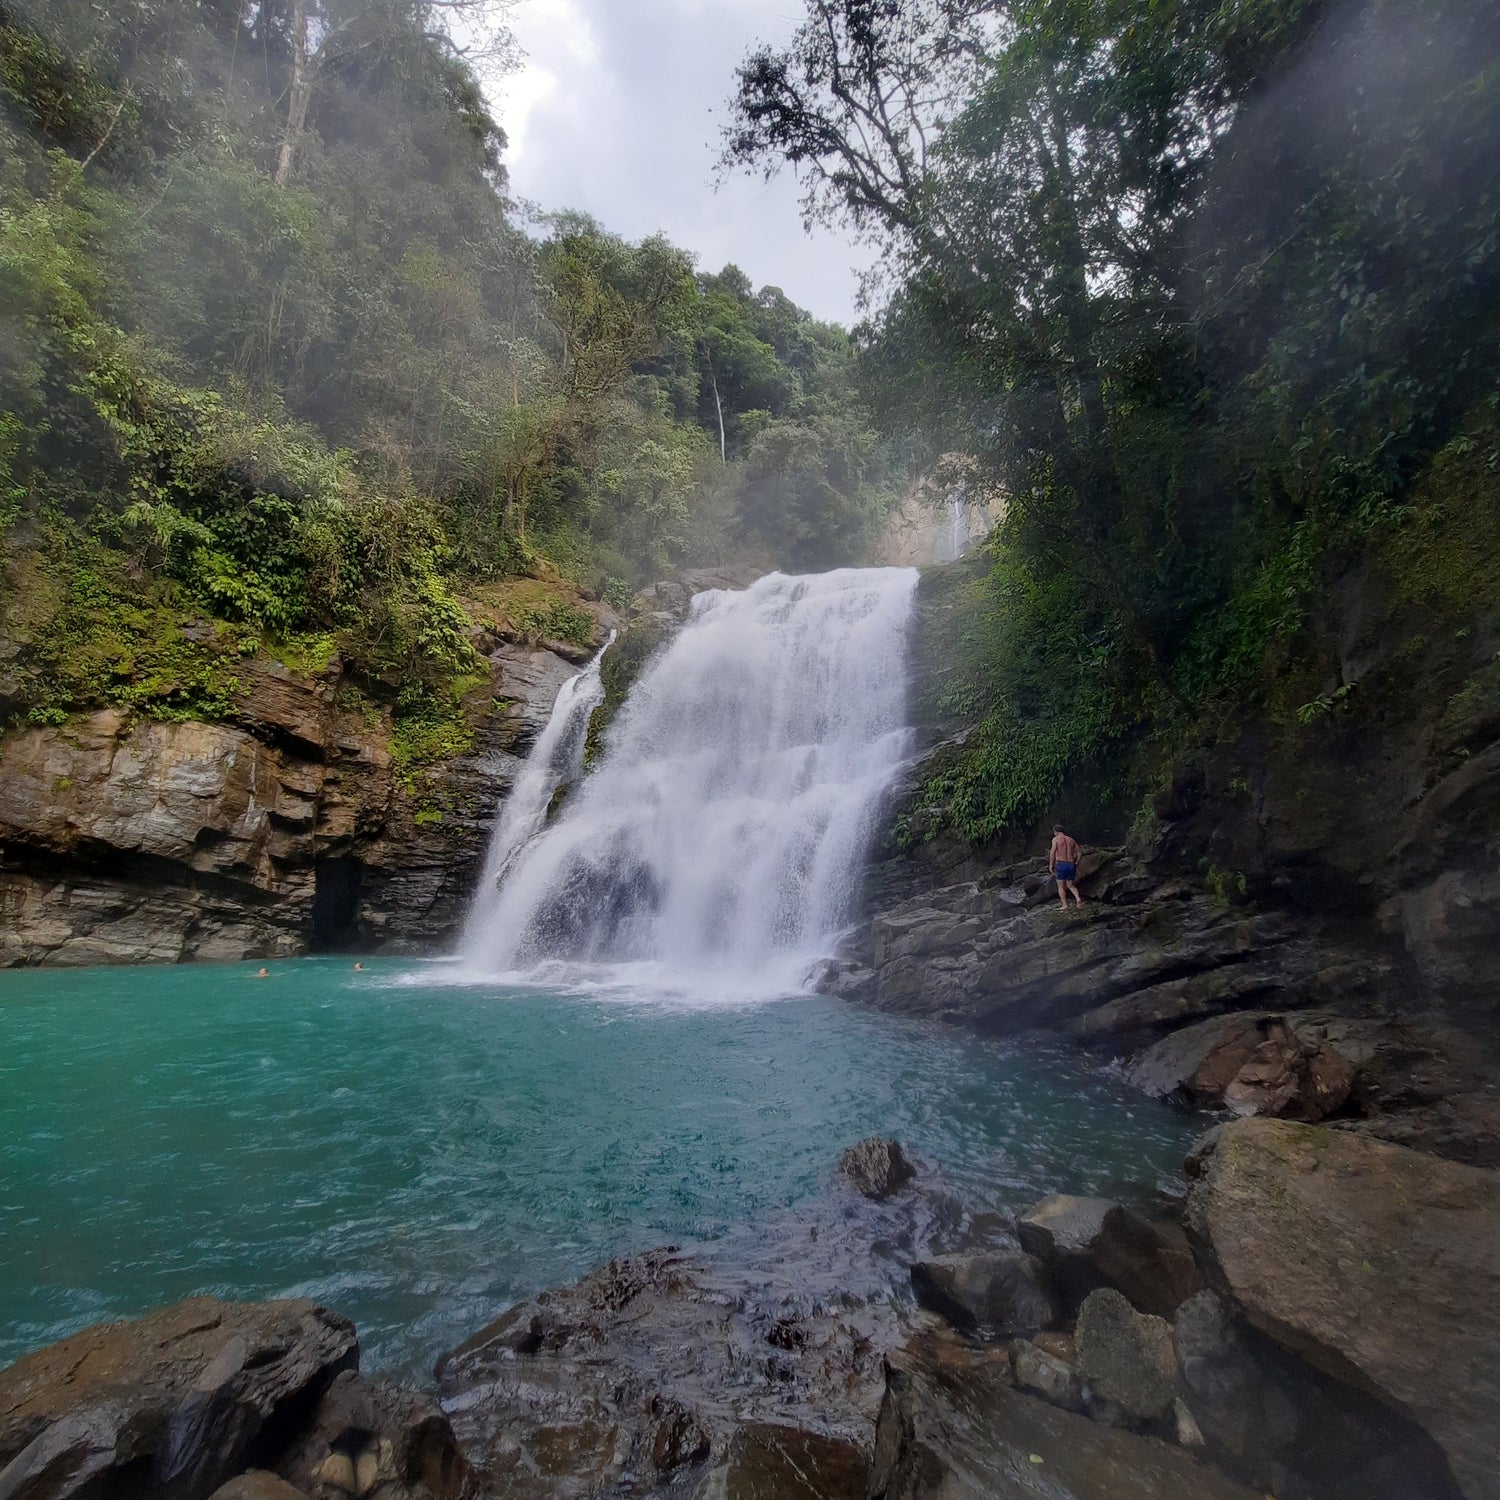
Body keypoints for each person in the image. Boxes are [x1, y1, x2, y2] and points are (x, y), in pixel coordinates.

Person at [1049, 825, 1084, 910]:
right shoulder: (1071, 840)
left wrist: (1051, 864)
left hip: (1061, 863)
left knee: (1060, 886)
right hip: (1071, 864)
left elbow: (1053, 852)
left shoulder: (1056, 839)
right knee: (1070, 885)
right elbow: (1079, 852)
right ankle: (1078, 898)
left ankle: (1064, 905)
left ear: (1055, 832)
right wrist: (1076, 862)